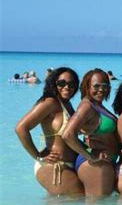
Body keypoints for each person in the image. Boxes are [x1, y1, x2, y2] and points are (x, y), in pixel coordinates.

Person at [16, 67, 84, 196]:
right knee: (76, 202)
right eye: (62, 83)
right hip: (55, 165)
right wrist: (37, 155)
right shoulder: (50, 102)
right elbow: (21, 128)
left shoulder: (67, 104)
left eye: (71, 84)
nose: (67, 87)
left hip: (68, 165)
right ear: (54, 84)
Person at [62, 68, 120, 197]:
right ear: (87, 87)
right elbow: (68, 135)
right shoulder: (87, 106)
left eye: (105, 86)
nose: (101, 89)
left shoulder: (97, 105)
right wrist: (91, 156)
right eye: (96, 86)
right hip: (95, 165)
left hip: (101, 164)